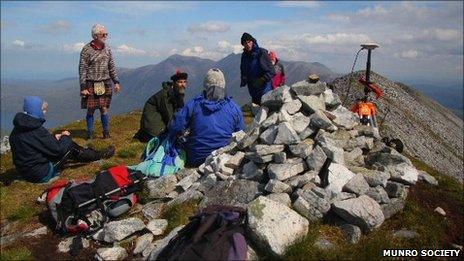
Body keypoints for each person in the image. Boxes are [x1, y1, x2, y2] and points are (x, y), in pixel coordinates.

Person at [9, 96, 115, 183]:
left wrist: (53, 138)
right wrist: (65, 136)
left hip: (25, 172)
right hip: (41, 174)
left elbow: (35, 143)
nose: (44, 112)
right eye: (43, 110)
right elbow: (57, 150)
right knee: (69, 146)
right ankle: (99, 155)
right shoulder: (36, 130)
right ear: (35, 110)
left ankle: (87, 152)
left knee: (63, 143)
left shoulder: (18, 129)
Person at [168, 69, 245, 167]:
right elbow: (241, 134)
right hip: (223, 158)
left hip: (196, 158)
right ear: (223, 84)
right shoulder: (234, 107)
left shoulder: (194, 104)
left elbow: (175, 127)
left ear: (205, 84)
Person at [79, 24, 121, 139]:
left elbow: (111, 66)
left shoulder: (107, 48)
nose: (106, 36)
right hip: (91, 83)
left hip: (105, 82)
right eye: (104, 34)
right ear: (96, 35)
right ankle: (90, 134)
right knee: (91, 109)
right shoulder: (86, 49)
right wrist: (83, 87)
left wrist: (116, 81)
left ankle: (106, 133)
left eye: (107, 34)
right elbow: (82, 68)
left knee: (104, 108)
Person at [134, 70, 188, 142]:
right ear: (174, 83)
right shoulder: (165, 96)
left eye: (184, 82)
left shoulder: (177, 94)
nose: (183, 85)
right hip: (152, 127)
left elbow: (180, 112)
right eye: (180, 82)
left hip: (159, 122)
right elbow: (169, 116)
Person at [240, 32, 276, 105]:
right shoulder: (244, 56)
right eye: (245, 43)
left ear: (252, 41)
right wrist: (244, 78)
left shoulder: (261, 53)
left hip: (265, 90)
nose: (247, 44)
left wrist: (262, 80)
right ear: (243, 44)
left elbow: (272, 71)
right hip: (253, 91)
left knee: (265, 113)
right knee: (256, 114)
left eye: (249, 42)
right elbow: (243, 69)